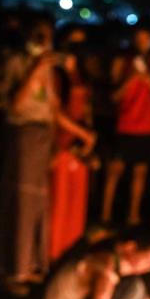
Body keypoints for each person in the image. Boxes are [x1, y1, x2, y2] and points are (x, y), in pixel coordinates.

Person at [0, 14, 94, 296]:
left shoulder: (50, 69)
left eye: (47, 34)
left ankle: (30, 263)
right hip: (22, 134)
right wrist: (36, 69)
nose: (43, 39)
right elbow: (15, 104)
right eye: (38, 33)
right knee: (20, 204)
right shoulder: (18, 63)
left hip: (42, 137)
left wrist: (73, 137)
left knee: (37, 204)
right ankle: (11, 267)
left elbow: (53, 108)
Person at [102, 28, 150, 226]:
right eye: (139, 39)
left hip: (147, 127)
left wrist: (149, 80)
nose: (142, 43)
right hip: (125, 125)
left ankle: (133, 214)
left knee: (140, 173)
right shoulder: (121, 63)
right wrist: (131, 79)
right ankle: (105, 214)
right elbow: (113, 96)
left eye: (146, 39)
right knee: (114, 171)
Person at [49, 47, 97, 262]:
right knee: (59, 199)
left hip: (80, 144)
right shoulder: (56, 77)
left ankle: (70, 251)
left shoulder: (82, 78)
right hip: (62, 141)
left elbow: (86, 108)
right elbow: (55, 112)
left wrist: (88, 139)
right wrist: (82, 134)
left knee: (76, 200)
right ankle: (52, 252)